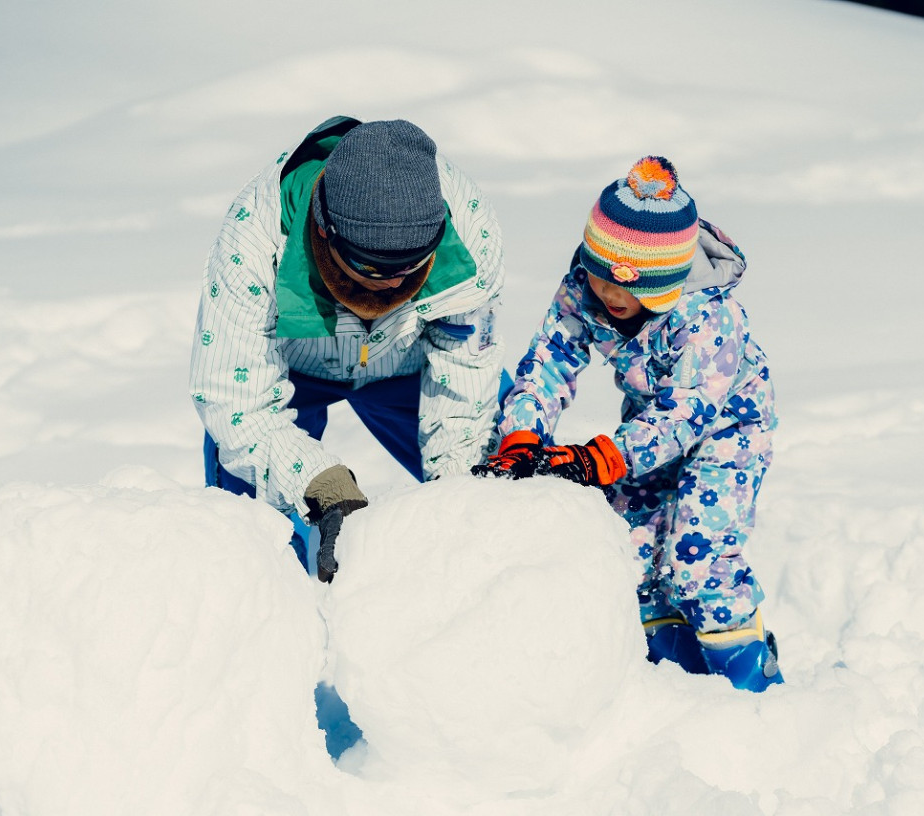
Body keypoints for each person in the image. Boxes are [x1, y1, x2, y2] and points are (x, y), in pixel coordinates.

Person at [474, 156, 782, 691]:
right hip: (645, 428)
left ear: (664, 280)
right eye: (600, 277)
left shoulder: (708, 317)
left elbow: (685, 415)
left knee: (697, 557)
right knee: (634, 554)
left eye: (626, 287)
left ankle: (749, 680)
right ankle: (674, 679)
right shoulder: (586, 289)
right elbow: (550, 359)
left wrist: (599, 459)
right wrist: (523, 437)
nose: (610, 296)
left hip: (727, 432)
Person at [190, 116, 504, 582]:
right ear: (325, 229)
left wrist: (457, 499)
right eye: (371, 268)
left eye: (411, 266)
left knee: (493, 493)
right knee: (247, 536)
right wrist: (320, 485)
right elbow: (236, 401)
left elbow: (465, 368)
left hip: (409, 366)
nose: (395, 282)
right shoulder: (256, 234)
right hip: (289, 372)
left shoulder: (470, 221)